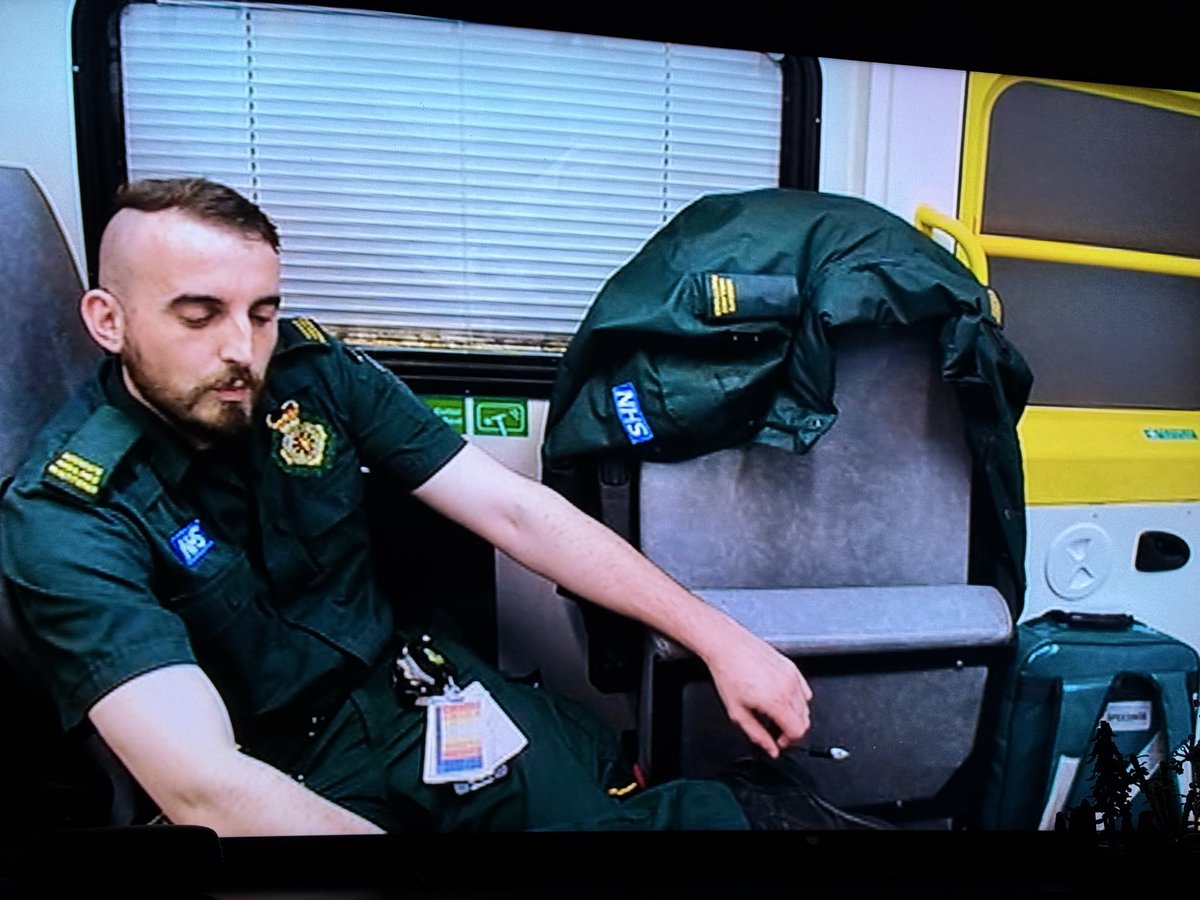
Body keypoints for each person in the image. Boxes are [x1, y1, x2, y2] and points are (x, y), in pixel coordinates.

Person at [0, 177, 814, 836]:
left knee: (637, 810)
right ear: (108, 322)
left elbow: (515, 511)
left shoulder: (314, 378)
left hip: (407, 695)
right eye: (199, 315)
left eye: (263, 312)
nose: (241, 350)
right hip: (283, 776)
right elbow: (206, 788)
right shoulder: (67, 514)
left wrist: (718, 637)